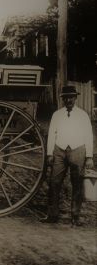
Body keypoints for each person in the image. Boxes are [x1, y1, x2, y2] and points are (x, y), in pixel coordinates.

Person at [41, 85, 94, 226]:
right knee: (54, 182)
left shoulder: (83, 115)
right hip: (60, 150)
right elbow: (52, 134)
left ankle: (75, 216)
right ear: (63, 99)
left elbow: (89, 135)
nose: (69, 100)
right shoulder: (57, 115)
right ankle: (52, 214)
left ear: (75, 98)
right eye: (66, 97)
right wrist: (49, 154)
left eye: (71, 97)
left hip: (78, 150)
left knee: (77, 183)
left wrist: (89, 157)